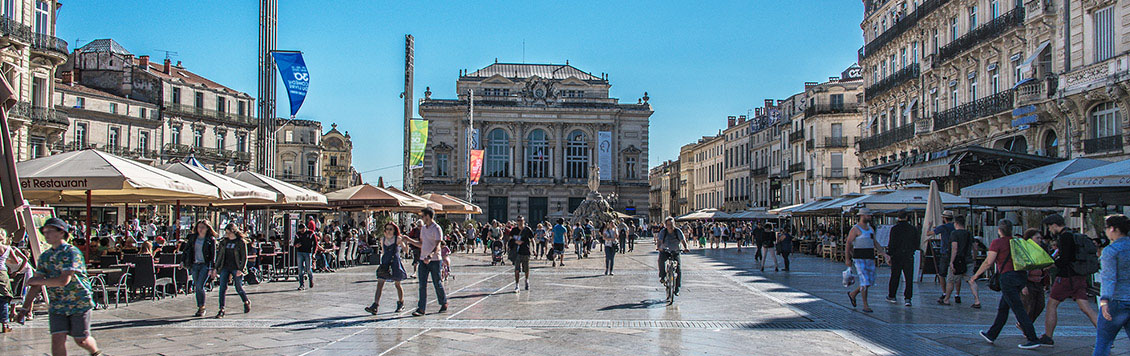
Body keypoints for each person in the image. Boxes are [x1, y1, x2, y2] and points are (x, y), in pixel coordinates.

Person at [16, 218, 104, 356]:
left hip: (78, 301)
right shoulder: (45, 256)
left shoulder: (71, 252)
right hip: (57, 304)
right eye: (44, 232)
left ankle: (95, 352)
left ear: (61, 233)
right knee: (57, 338)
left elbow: (64, 280)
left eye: (49, 231)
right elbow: (35, 285)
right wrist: (25, 308)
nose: (46, 235)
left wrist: (40, 281)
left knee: (81, 339)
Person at [969, 219, 1042, 349]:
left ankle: (1033, 338)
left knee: (1018, 309)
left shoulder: (997, 243)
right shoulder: (1017, 241)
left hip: (1007, 278)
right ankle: (992, 334)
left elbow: (988, 262)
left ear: (999, 230)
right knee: (1003, 308)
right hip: (1020, 276)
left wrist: (975, 276)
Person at [1042, 213, 1099, 346]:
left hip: (1066, 277)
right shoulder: (1073, 235)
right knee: (1086, 308)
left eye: (1050, 227)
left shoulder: (1065, 237)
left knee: (1052, 304)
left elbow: (1065, 259)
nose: (1050, 230)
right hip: (1079, 276)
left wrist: (1053, 264)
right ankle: (1105, 336)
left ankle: (1048, 337)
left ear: (1055, 225)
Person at [1095, 214, 1130, 356]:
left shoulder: (1111, 251)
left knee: (1104, 342)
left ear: (1114, 229)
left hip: (1116, 300)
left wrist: (1104, 301)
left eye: (1107, 228)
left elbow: (1109, 278)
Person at [409, 207, 448, 316]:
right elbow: (422, 244)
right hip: (422, 260)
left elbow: (438, 245)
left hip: (435, 260)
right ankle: (421, 309)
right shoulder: (424, 229)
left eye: (423, 216)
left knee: (437, 283)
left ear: (428, 216)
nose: (421, 218)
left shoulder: (436, 228)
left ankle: (443, 302)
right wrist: (409, 240)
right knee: (422, 285)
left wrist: (430, 255)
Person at [846, 208, 885, 313]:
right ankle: (865, 305)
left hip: (870, 257)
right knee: (864, 280)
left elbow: (875, 243)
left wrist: (884, 254)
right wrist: (848, 258)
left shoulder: (870, 229)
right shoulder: (855, 229)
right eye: (868, 215)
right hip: (859, 258)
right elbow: (848, 243)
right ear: (862, 216)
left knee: (870, 281)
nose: (870, 217)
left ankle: (853, 294)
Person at [366, 222, 408, 315]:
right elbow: (384, 251)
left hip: (395, 263)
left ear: (394, 231)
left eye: (390, 229)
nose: (388, 231)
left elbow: (405, 250)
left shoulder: (397, 239)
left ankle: (401, 303)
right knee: (380, 283)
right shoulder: (382, 239)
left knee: (397, 284)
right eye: (387, 229)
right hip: (385, 263)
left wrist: (405, 243)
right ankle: (375, 305)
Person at [211, 224, 250, 318]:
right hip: (225, 266)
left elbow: (244, 257)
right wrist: (216, 267)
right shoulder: (224, 242)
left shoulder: (240, 242)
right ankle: (221, 309)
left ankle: (246, 301)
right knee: (222, 288)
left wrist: (241, 269)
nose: (227, 234)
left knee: (238, 287)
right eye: (226, 232)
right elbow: (220, 255)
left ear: (233, 231)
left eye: (228, 232)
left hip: (236, 267)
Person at [181, 220, 218, 317]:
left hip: (204, 265)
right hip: (194, 264)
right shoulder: (193, 238)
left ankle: (201, 307)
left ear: (207, 229)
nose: (201, 229)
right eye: (199, 227)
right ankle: (201, 306)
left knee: (199, 286)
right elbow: (186, 250)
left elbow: (213, 255)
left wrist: (212, 268)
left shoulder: (211, 239)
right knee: (196, 285)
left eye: (203, 227)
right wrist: (182, 261)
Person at [886, 212, 919, 306]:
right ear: (907, 217)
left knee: (895, 276)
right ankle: (908, 298)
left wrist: (889, 255)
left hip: (897, 256)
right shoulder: (913, 229)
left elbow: (891, 243)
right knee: (909, 278)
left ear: (898, 217)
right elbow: (917, 244)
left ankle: (892, 295)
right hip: (908, 255)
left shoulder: (894, 229)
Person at [940, 216, 973, 305]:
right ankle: (976, 299)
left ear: (956, 223)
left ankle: (946, 299)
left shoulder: (954, 233)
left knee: (951, 280)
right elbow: (975, 246)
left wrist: (951, 261)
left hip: (957, 260)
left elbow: (954, 248)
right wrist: (974, 257)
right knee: (971, 280)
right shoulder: (969, 233)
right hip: (968, 260)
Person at [927, 210, 956, 302]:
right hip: (955, 252)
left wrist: (929, 226)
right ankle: (957, 294)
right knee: (956, 274)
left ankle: (944, 293)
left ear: (944, 218)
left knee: (941, 274)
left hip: (945, 252)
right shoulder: (955, 227)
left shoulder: (943, 227)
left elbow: (928, 233)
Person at [657, 217, 689, 295]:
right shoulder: (663, 232)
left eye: (671, 224)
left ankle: (677, 288)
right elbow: (659, 241)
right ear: (666, 225)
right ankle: (662, 276)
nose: (670, 226)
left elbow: (683, 241)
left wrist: (686, 248)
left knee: (679, 269)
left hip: (676, 251)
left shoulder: (678, 231)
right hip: (665, 251)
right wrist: (659, 247)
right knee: (660, 260)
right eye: (668, 225)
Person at [509, 216, 534, 292]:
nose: (520, 222)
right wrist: (515, 242)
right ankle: (517, 285)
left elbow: (532, 240)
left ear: (524, 221)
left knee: (526, 269)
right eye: (518, 220)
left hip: (525, 251)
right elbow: (510, 241)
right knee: (517, 269)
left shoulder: (527, 230)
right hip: (516, 252)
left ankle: (526, 280)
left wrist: (534, 249)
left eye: (521, 220)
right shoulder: (514, 230)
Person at [294, 223, 316, 290]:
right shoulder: (298, 234)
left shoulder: (310, 233)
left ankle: (311, 280)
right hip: (300, 252)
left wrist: (313, 253)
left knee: (308, 268)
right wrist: (296, 245)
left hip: (308, 252)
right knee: (300, 269)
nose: (302, 231)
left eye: (303, 229)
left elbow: (315, 243)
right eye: (300, 230)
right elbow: (295, 243)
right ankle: (301, 284)